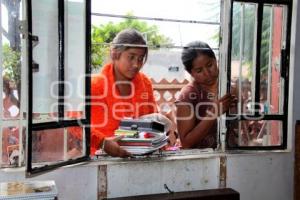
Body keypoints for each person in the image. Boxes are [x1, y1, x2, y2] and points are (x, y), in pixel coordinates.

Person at [90, 28, 158, 157]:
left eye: (140, 59)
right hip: (100, 161)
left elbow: (152, 121)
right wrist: (102, 142)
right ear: (115, 54)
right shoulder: (94, 86)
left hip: (142, 158)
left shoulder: (145, 83)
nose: (136, 65)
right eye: (131, 57)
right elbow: (75, 125)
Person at [175, 41, 236, 149]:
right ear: (191, 73)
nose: (207, 73)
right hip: (203, 162)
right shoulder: (188, 96)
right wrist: (213, 114)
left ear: (216, 60)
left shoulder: (229, 88)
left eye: (210, 65)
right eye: (199, 70)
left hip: (232, 156)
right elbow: (186, 143)